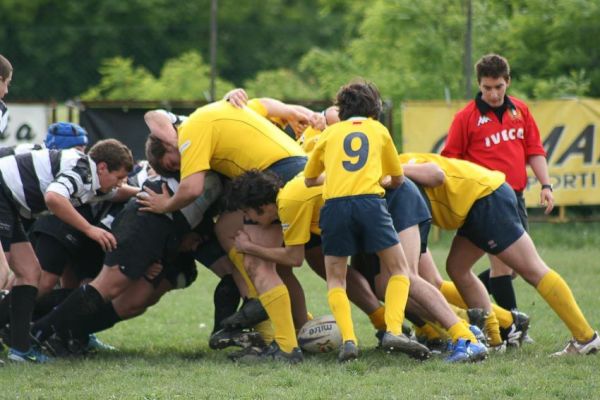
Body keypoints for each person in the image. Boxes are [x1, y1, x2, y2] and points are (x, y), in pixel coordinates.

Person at [139, 97, 310, 363]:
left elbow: (191, 188)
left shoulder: (191, 130)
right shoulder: (224, 109)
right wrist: (292, 110)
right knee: (231, 234)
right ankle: (300, 331)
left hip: (276, 177)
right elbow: (262, 103)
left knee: (259, 263)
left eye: (173, 163)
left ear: (168, 140)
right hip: (298, 169)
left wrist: (165, 205)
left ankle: (285, 345)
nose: (181, 167)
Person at [400, 152, 600, 356]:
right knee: (457, 268)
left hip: (486, 198)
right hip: (474, 204)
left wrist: (395, 169)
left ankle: (585, 337)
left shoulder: (397, 163)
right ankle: (494, 340)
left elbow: (436, 174)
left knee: (532, 269)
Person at [303, 80, 423, 362]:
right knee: (399, 269)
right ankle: (393, 329)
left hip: (334, 207)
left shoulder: (330, 135)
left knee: (336, 278)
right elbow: (398, 178)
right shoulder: (379, 131)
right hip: (371, 204)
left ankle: (348, 340)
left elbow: (309, 179)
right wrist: (381, 179)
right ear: (374, 108)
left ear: (341, 109)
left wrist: (334, 177)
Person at [0, 139, 134, 363]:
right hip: (2, 193)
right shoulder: (82, 170)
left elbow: (116, 194)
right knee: (2, 272)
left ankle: (20, 350)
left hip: (10, 203)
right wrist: (90, 229)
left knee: (30, 273)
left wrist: (144, 192)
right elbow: (54, 198)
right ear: (102, 167)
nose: (120, 183)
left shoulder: (91, 177)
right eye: (119, 177)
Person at [442, 54, 553, 316]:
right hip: (486, 200)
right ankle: (512, 324)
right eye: (487, 88)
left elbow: (534, 150)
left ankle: (455, 303)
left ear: (508, 82)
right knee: (503, 265)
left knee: (514, 268)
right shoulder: (466, 117)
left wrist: (546, 185)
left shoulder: (521, 110)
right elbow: (449, 161)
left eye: (498, 87)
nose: (493, 94)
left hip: (515, 196)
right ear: (479, 85)